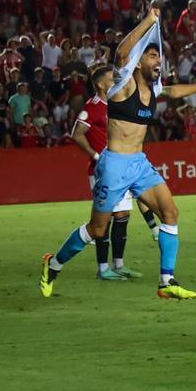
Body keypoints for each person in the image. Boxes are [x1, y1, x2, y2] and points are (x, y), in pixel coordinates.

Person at [40, 5, 196, 299]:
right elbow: (121, 52)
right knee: (97, 230)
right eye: (152, 56)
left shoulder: (153, 90)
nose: (158, 60)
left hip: (139, 163)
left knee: (170, 212)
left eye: (158, 56)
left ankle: (166, 282)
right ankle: (54, 264)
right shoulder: (124, 85)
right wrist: (149, 21)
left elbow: (176, 91)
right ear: (138, 63)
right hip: (114, 165)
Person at [71, 63, 159, 281]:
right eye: (112, 78)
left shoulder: (116, 102)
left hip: (121, 167)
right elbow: (77, 133)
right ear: (101, 84)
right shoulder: (92, 107)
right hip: (102, 170)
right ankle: (102, 269)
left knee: (122, 216)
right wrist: (95, 156)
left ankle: (118, 265)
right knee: (105, 220)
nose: (117, 81)